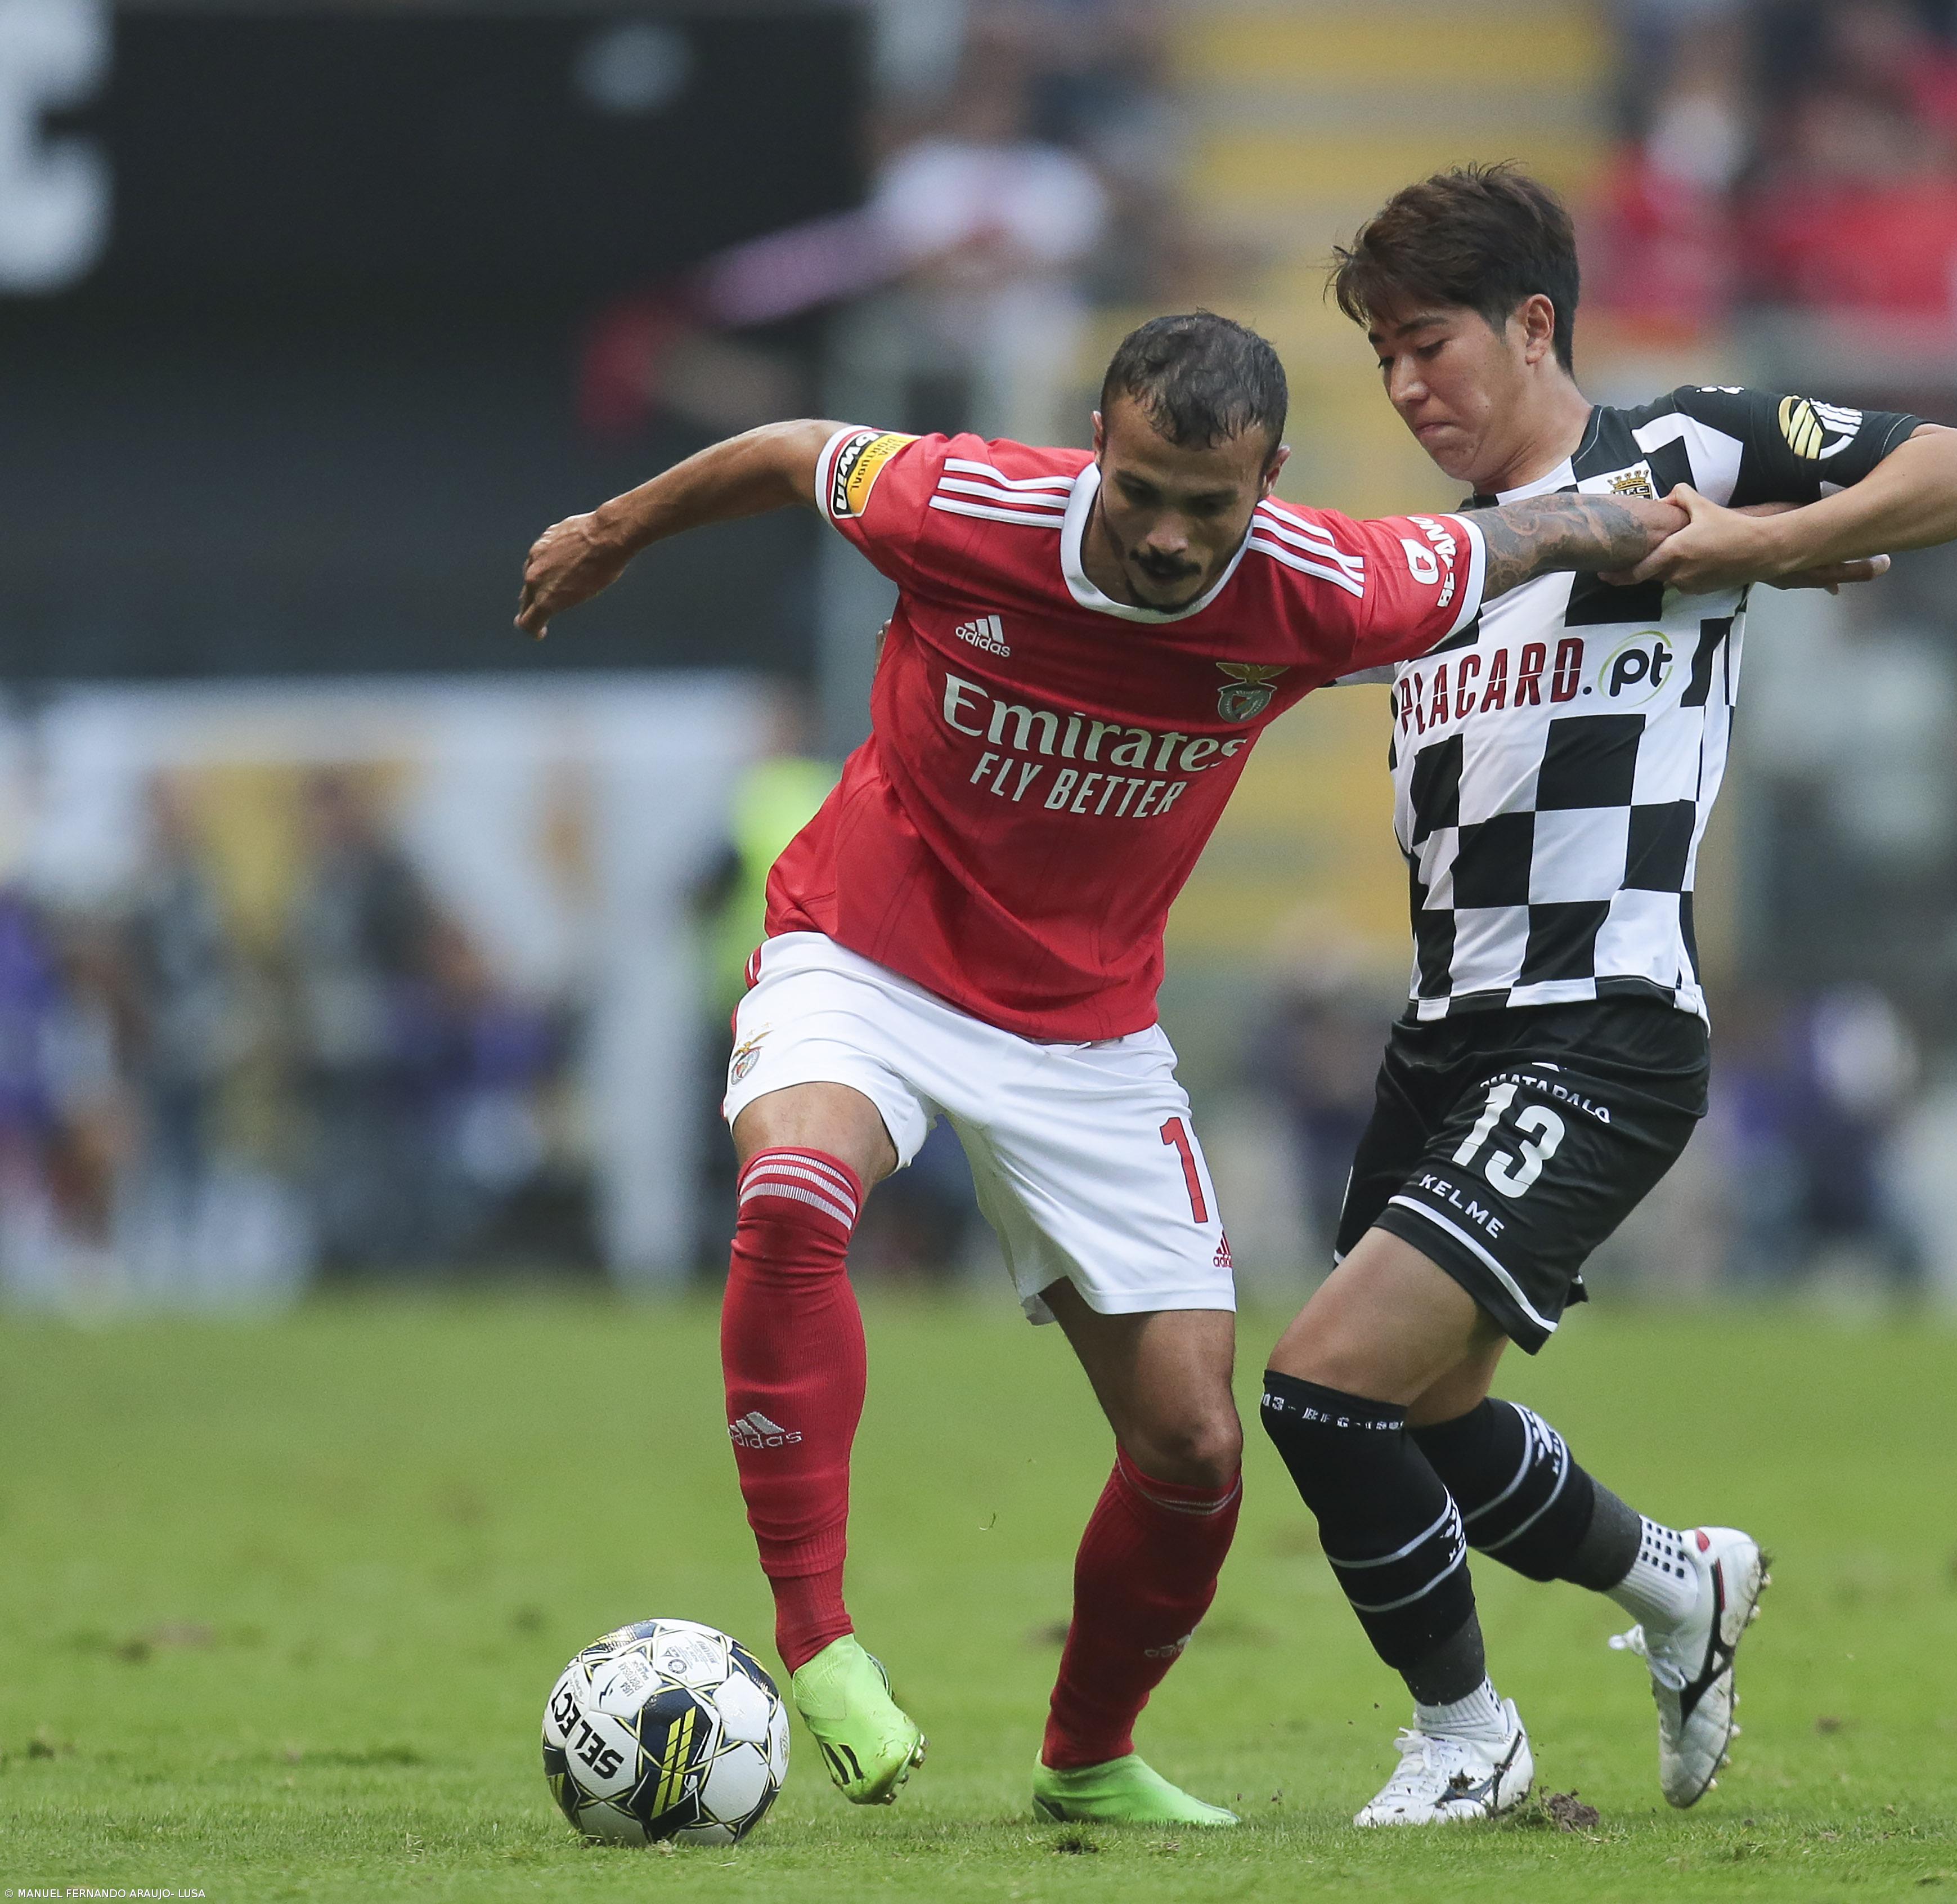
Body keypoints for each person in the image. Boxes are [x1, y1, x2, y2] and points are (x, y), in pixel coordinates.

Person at [513, 312, 1803, 1826]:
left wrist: (1782, 544)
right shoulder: (970, 506)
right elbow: (796, 453)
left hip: (1087, 1034)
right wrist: (612, 528)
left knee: (1193, 1445)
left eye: (1209, 502)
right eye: (1138, 490)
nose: (1169, 535)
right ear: (1094, 446)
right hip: (868, 948)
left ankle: (1089, 1763)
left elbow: (1552, 528)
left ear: (1271, 478)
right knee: (797, 1196)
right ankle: (818, 1642)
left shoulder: (1333, 586)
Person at [1262, 165, 1957, 1825]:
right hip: (1441, 1033)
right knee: (1424, 1408)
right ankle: (1679, 1586)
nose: (1404, 384)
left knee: (1320, 1389)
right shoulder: (1436, 559)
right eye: (1382, 355)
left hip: (1599, 1024)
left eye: (1428, 342)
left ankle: (1468, 1741)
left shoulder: (1678, 457)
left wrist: (1773, 538)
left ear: (1534, 325)